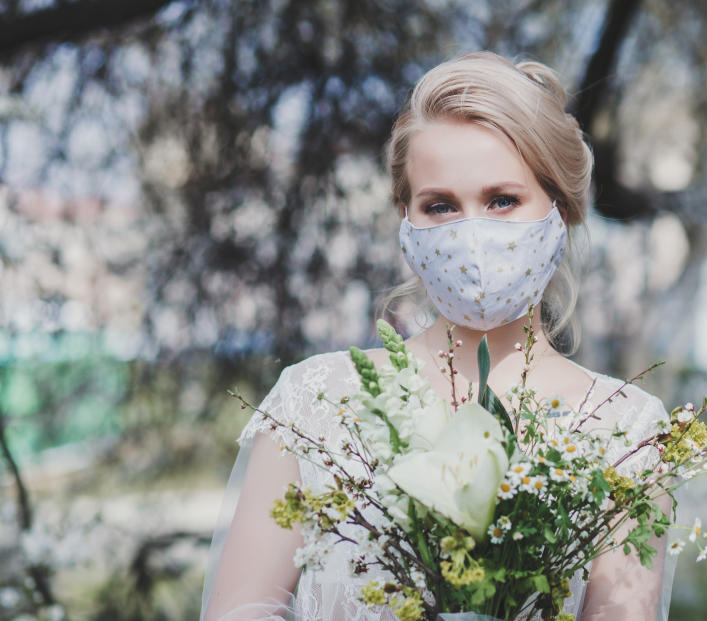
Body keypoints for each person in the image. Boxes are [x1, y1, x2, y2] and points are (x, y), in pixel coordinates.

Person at [200, 51, 674, 621]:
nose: (471, 234)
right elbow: (243, 609)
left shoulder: (625, 430)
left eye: (503, 200)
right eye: (440, 206)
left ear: (562, 209)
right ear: (406, 219)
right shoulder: (314, 406)